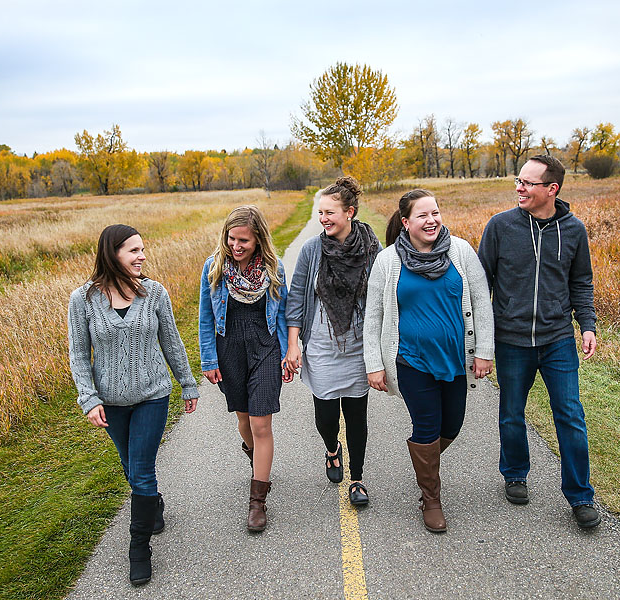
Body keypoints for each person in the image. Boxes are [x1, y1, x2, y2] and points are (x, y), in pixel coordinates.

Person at [68, 224, 199, 587]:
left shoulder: (155, 293)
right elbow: (78, 355)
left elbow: (172, 342)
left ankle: (138, 549)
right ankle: (152, 502)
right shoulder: (82, 300)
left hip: (152, 395)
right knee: (130, 467)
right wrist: (88, 398)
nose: (142, 256)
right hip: (111, 402)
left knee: (141, 469)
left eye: (143, 250)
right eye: (134, 251)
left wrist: (187, 384)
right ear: (113, 254)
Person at [477, 154, 600, 529]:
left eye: (529, 183)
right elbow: (482, 286)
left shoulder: (574, 230)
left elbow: (581, 281)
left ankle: (580, 496)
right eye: (519, 180)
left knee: (571, 416)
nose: (520, 187)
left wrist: (588, 324)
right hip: (512, 341)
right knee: (512, 412)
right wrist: (482, 340)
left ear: (552, 189)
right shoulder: (500, 227)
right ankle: (515, 473)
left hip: (558, 339)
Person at [364, 189, 494, 532]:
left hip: (454, 358)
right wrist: (373, 363)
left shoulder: (461, 252)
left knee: (452, 424)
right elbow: (373, 316)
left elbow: (482, 303)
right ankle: (431, 498)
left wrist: (484, 351)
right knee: (426, 425)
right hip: (411, 360)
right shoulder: (388, 261)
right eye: (422, 215)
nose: (431, 220)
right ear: (406, 223)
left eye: (435, 213)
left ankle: (426, 465)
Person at [282, 177, 381, 506]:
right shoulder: (312, 250)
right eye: (319, 212)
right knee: (326, 417)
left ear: (349, 212)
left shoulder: (370, 246)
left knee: (356, 417)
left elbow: (381, 295)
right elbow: (296, 298)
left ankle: (358, 479)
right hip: (322, 346)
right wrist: (293, 344)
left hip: (357, 347)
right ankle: (331, 448)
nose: (323, 218)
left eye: (329, 212)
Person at [198, 205, 289, 532]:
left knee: (261, 423)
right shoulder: (214, 267)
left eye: (243, 241)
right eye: (231, 238)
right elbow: (206, 318)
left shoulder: (273, 268)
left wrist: (288, 351)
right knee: (243, 419)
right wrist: (208, 360)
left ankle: (257, 503)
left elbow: (284, 314)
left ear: (258, 240)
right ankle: (256, 461)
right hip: (229, 351)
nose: (235, 246)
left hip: (265, 348)